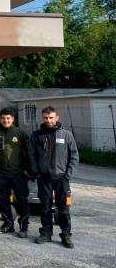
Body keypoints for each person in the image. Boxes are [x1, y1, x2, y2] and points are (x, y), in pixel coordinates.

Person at [29, 106, 79, 248]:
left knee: (63, 208)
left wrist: (67, 175)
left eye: (51, 117)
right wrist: (36, 172)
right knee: (44, 207)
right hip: (43, 178)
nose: (48, 120)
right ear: (42, 118)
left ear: (57, 118)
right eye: (46, 117)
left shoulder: (66, 135)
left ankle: (66, 235)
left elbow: (74, 156)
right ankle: (46, 233)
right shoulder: (37, 135)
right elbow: (31, 155)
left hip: (61, 178)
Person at [0, 108, 31, 237]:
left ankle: (23, 226)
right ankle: (8, 224)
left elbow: (29, 153)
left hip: (18, 174)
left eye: (8, 118)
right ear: (0, 119)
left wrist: (28, 170)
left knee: (22, 200)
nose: (6, 120)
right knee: (3, 200)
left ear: (13, 119)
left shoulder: (20, 133)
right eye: (3, 118)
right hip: (1, 174)